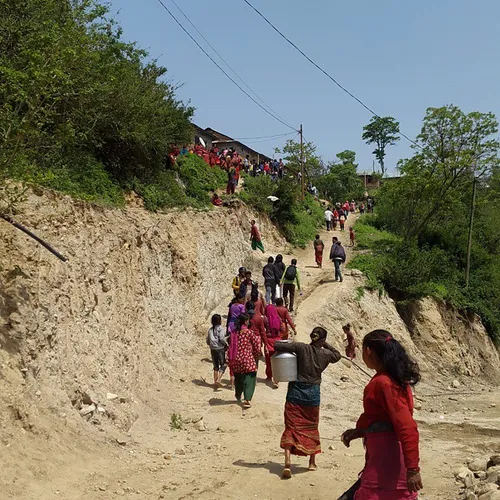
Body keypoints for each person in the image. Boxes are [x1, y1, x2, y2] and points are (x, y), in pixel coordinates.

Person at [341, 330, 423, 498]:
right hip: (384, 462)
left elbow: (406, 426)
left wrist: (413, 469)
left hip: (386, 466)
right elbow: (380, 417)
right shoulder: (394, 381)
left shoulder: (383, 383)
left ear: (369, 351)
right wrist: (360, 431)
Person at [275, 327, 341, 479]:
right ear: (322, 340)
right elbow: (337, 355)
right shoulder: (326, 354)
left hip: (295, 392)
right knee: (311, 426)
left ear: (312, 337)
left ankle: (287, 461)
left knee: (291, 426)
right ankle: (311, 463)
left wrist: (290, 341)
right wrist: (326, 345)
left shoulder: (301, 347)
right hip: (312, 395)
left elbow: (278, 345)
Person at [228, 313, 261, 409]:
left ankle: (238, 394)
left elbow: (231, 345)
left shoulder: (234, 332)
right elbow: (256, 345)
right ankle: (247, 399)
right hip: (246, 358)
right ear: (246, 321)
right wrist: (256, 355)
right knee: (250, 376)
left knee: (238, 377)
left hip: (236, 359)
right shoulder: (249, 332)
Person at [206, 314, 228, 388]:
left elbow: (208, 340)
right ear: (219, 321)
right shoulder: (221, 329)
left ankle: (215, 383)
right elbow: (221, 338)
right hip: (220, 348)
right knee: (223, 364)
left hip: (213, 348)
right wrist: (226, 344)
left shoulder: (210, 330)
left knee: (215, 366)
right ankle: (218, 379)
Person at [264, 303, 282, 386]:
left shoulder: (265, 319)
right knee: (277, 360)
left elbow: (263, 330)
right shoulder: (278, 319)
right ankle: (276, 380)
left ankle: (269, 376)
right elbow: (282, 329)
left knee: (268, 360)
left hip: (268, 341)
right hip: (278, 341)